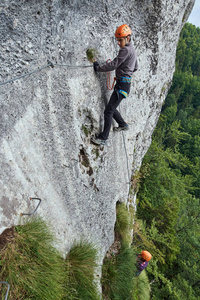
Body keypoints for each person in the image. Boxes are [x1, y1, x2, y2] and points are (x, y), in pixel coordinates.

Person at [91, 24, 138, 146]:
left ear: (128, 38)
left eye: (120, 40)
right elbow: (135, 67)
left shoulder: (125, 50)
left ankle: (103, 138)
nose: (118, 43)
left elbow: (113, 65)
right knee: (112, 107)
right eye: (117, 40)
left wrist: (98, 68)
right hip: (125, 85)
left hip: (121, 85)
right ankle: (123, 124)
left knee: (108, 111)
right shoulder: (132, 49)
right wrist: (125, 72)